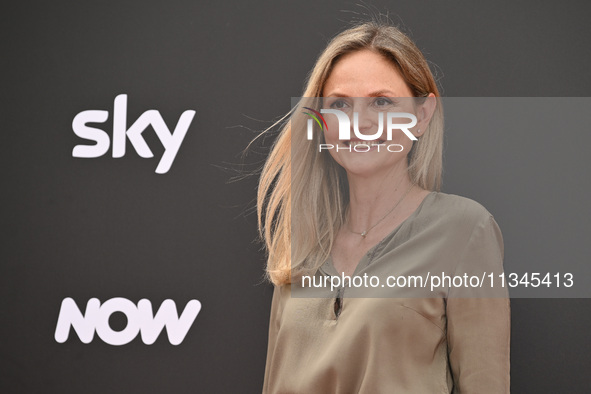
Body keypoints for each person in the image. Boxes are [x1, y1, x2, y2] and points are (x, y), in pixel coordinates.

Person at [257, 21, 510, 393]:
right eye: (339, 104)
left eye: (382, 101)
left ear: (421, 116)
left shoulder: (464, 230)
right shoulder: (305, 244)